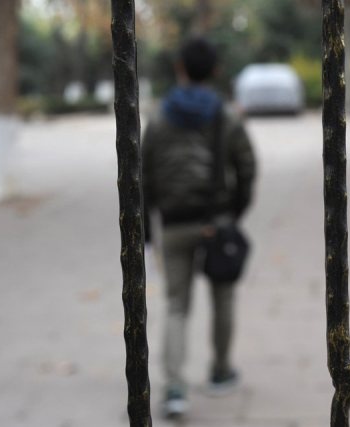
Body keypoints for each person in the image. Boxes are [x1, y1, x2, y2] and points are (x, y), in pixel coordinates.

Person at [142, 37, 256, 419]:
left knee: (176, 304)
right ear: (216, 70)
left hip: (174, 223)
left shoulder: (159, 116)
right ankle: (220, 371)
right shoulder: (226, 115)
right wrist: (234, 212)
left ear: (180, 68)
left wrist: (147, 227)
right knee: (223, 297)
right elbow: (247, 167)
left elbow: (143, 175)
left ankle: (175, 388)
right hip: (216, 220)